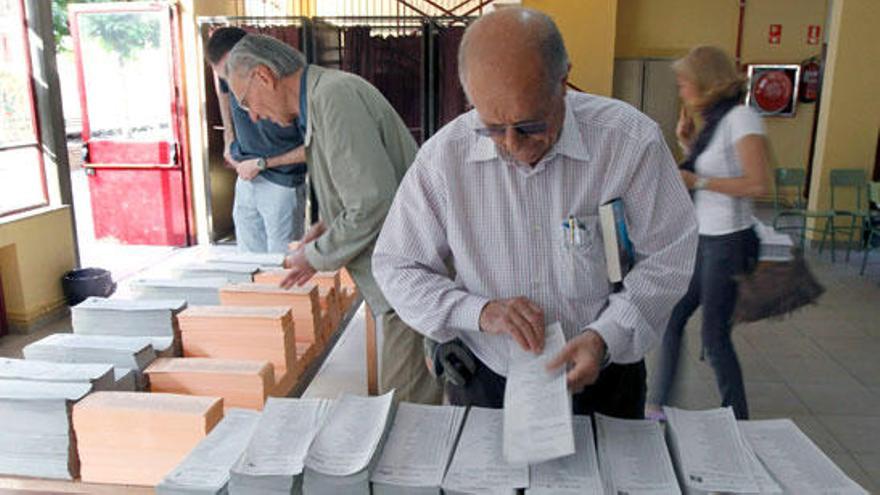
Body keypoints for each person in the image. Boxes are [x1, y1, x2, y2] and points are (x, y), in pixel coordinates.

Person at [371, 7, 698, 418]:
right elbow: (397, 267)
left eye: (529, 125)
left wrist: (605, 336)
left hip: (604, 373)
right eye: (491, 127)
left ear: (563, 82)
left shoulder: (628, 144)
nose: (512, 144)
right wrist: (479, 311)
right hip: (488, 377)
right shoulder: (444, 158)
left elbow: (669, 256)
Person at [223, 34, 443, 405]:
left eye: (245, 104)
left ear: (264, 76)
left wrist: (315, 256)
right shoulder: (321, 100)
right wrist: (323, 229)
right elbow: (357, 188)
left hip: (410, 277)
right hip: (400, 280)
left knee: (407, 408)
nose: (254, 115)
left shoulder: (333, 98)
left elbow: (373, 202)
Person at [647, 46, 770, 420]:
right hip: (706, 239)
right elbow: (710, 170)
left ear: (705, 83)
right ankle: (658, 404)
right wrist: (686, 142)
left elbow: (757, 184)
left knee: (714, 337)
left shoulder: (741, 118)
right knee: (673, 316)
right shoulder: (715, 123)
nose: (682, 91)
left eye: (685, 83)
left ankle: (737, 417)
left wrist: (697, 179)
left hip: (729, 242)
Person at [206, 27, 308, 253]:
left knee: (282, 262)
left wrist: (263, 164)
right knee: (247, 258)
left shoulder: (293, 85)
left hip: (282, 181)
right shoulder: (229, 74)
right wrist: (228, 134)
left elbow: (315, 147)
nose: (252, 112)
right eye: (226, 78)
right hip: (246, 175)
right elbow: (221, 86)